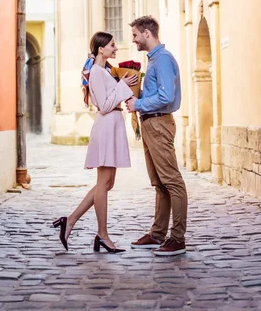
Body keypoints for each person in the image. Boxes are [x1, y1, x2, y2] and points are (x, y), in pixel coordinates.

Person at [53, 31, 138, 254]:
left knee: (107, 184)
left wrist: (122, 84)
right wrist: (123, 85)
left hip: (113, 126)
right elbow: (104, 105)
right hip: (106, 125)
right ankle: (102, 235)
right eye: (112, 45)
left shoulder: (104, 71)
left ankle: (69, 221)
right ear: (101, 49)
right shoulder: (97, 73)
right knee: (103, 183)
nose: (116, 48)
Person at [125, 15, 188, 256]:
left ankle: (178, 238)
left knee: (172, 181)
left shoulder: (162, 59)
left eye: (135, 35)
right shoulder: (153, 60)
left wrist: (138, 103)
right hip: (150, 124)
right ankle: (158, 233)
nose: (133, 40)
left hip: (159, 123)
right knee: (159, 182)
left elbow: (166, 97)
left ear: (147, 34)